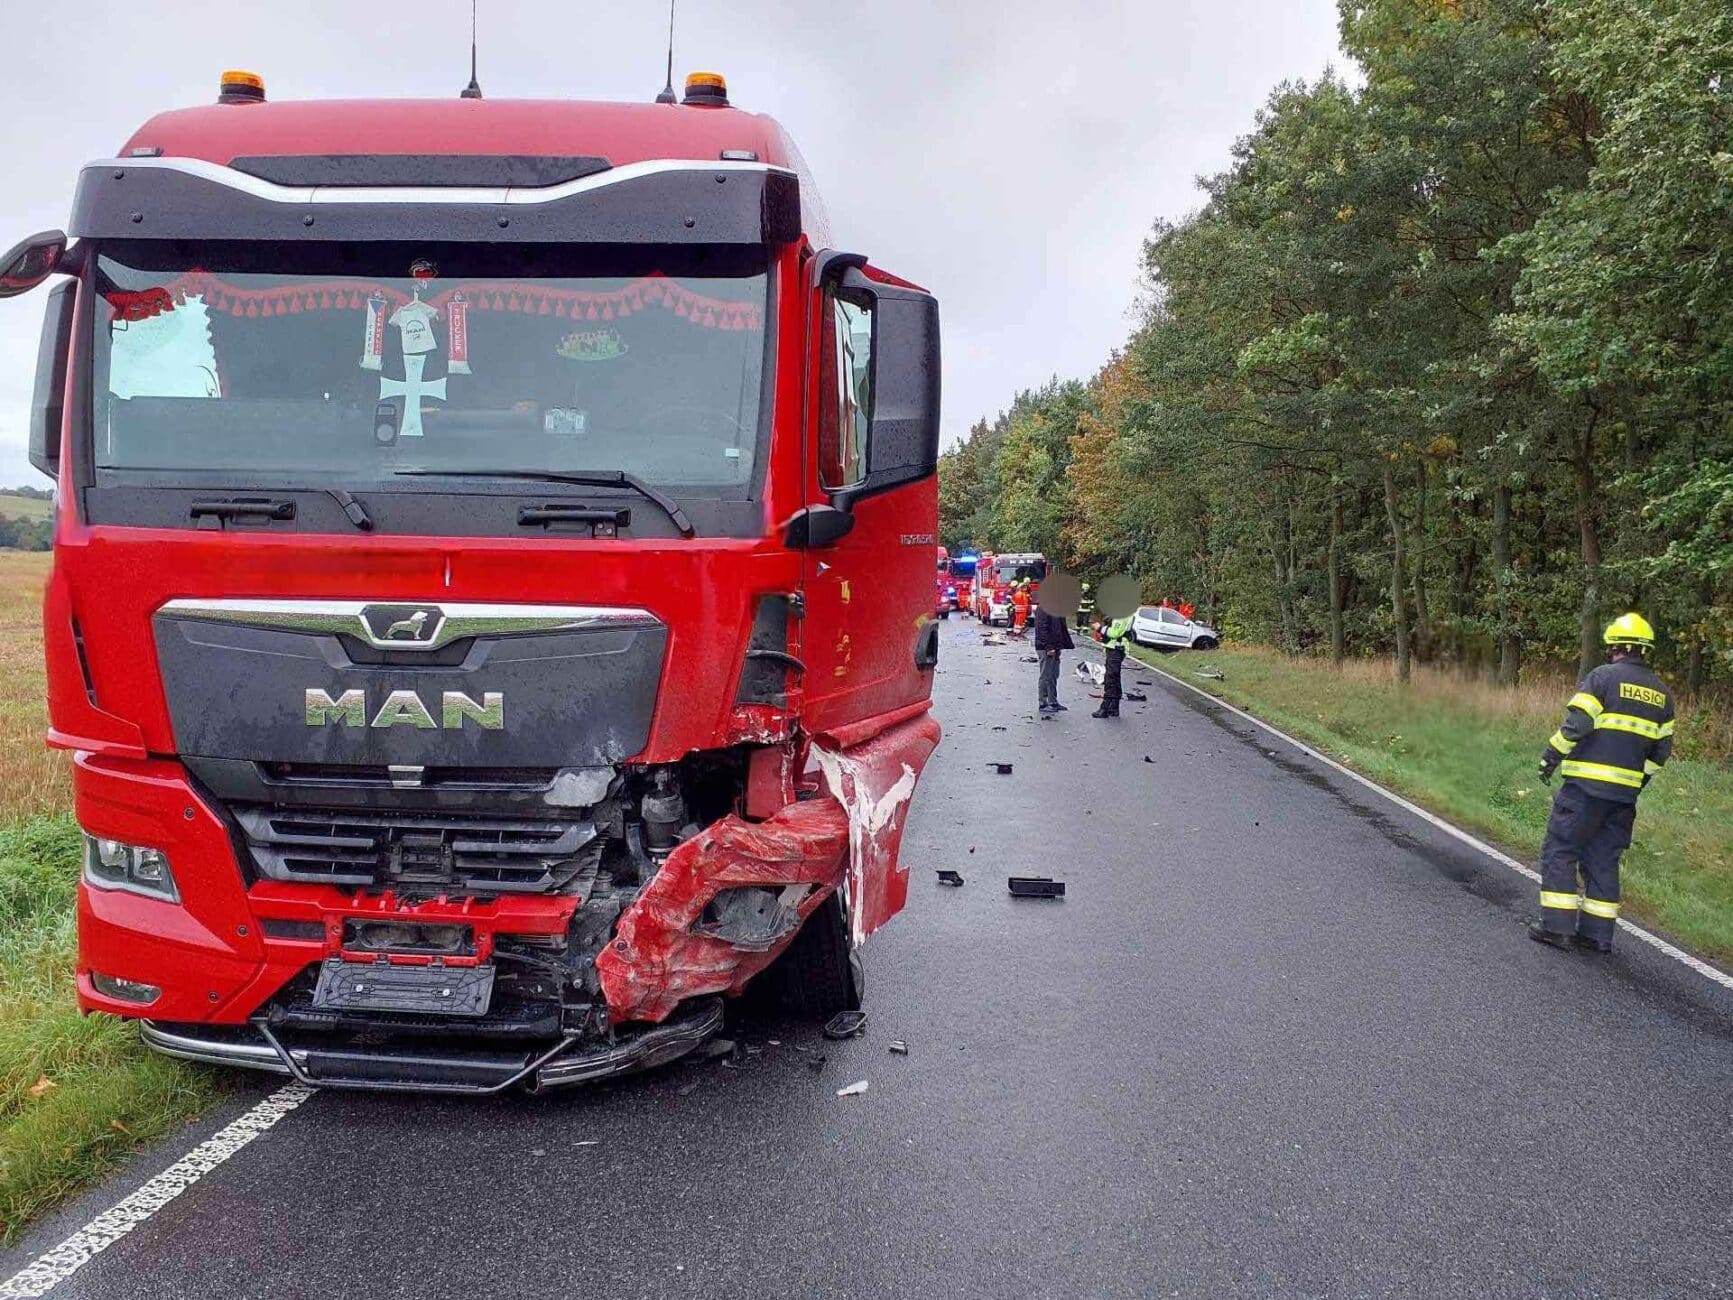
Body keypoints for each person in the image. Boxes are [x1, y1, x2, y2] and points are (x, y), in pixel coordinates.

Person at [1530, 613, 1676, 955]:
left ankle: (1557, 929)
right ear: (1644, 650)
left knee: (1561, 851)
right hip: (1623, 798)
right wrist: (1636, 784)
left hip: (1584, 791)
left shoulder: (1602, 678)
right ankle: (1596, 936)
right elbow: (1660, 753)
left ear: (1615, 647)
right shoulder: (1663, 695)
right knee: (1603, 861)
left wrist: (1550, 757)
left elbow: (1577, 725)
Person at [1033, 600, 1074, 715]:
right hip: (1046, 647)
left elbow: (1060, 628)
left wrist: (1061, 644)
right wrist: (1049, 647)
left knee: (1053, 674)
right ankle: (1043, 703)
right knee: (1046, 675)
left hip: (1055, 646)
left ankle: (1053, 701)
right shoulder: (1043, 608)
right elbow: (1042, 629)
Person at [1091, 611, 1135, 718]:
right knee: (1115, 678)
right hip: (1116, 648)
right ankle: (1114, 707)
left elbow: (1115, 633)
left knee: (1110, 679)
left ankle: (1104, 708)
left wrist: (1100, 628)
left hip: (1116, 649)